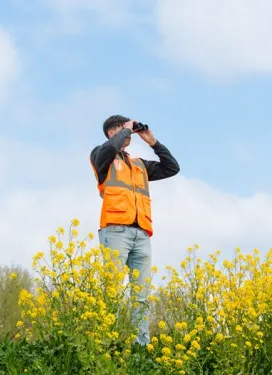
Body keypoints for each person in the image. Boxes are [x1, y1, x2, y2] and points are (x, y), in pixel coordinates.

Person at [89, 114, 180, 347]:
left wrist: (152, 141)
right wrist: (127, 130)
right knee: (112, 291)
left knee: (141, 296)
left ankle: (141, 349)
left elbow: (172, 168)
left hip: (141, 234)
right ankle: (108, 343)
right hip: (115, 230)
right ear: (113, 132)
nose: (129, 132)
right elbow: (110, 148)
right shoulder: (101, 156)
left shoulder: (140, 165)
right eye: (123, 128)